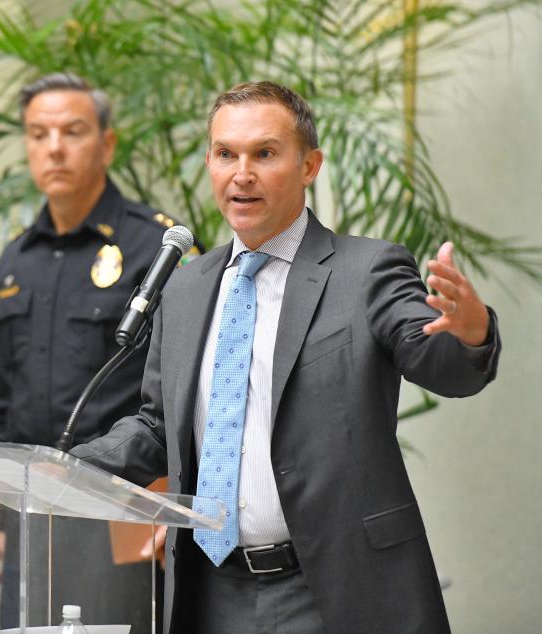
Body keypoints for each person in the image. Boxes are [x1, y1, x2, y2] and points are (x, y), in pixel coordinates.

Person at [69, 81, 500, 633]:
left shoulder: (366, 271)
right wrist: (70, 468)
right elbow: (157, 429)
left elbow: (440, 363)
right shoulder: (185, 286)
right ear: (210, 162)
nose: (241, 173)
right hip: (209, 590)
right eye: (226, 154)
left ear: (309, 166)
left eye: (264, 153)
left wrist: (469, 331)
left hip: (332, 589)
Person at [0, 73, 196, 629]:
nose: (53, 147)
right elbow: (2, 401)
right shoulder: (15, 260)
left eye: (72, 131)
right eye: (38, 134)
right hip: (30, 506)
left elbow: (183, 393)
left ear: (107, 143)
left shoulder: (156, 247)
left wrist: (167, 504)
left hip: (124, 506)